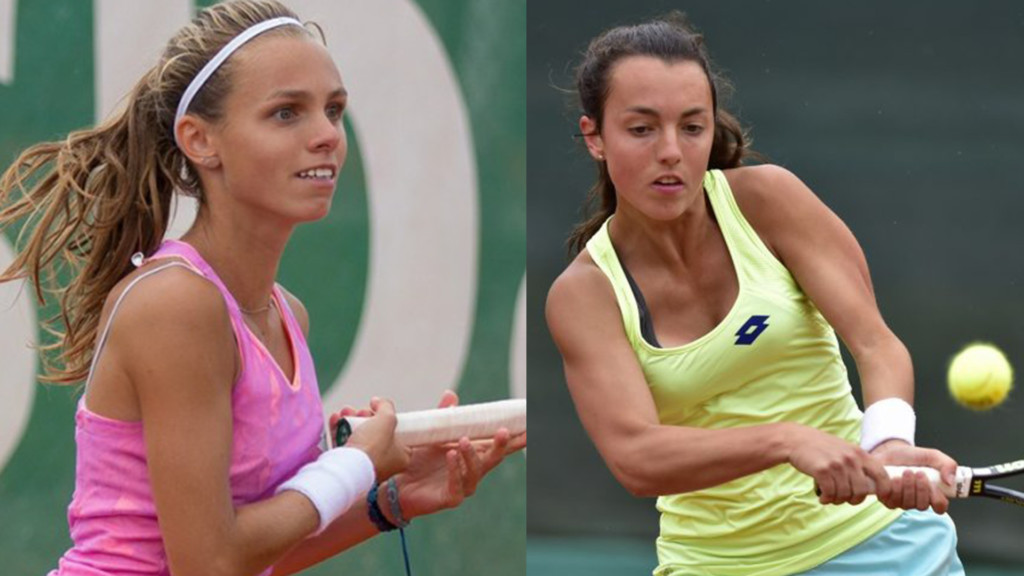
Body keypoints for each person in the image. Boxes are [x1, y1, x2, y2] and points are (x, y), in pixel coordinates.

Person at [0, 2, 525, 575]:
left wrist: (392, 498)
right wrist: (354, 465)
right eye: (286, 113)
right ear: (200, 139)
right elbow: (209, 562)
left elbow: (253, 554)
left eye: (334, 110)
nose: (326, 135)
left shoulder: (287, 315)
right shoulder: (175, 305)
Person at [545, 12, 962, 576]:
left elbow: (876, 343)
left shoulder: (770, 201)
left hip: (888, 547)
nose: (670, 151)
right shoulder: (584, 295)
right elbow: (636, 457)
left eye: (692, 127)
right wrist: (785, 441)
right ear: (595, 136)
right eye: (642, 129)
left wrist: (887, 443)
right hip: (718, 565)